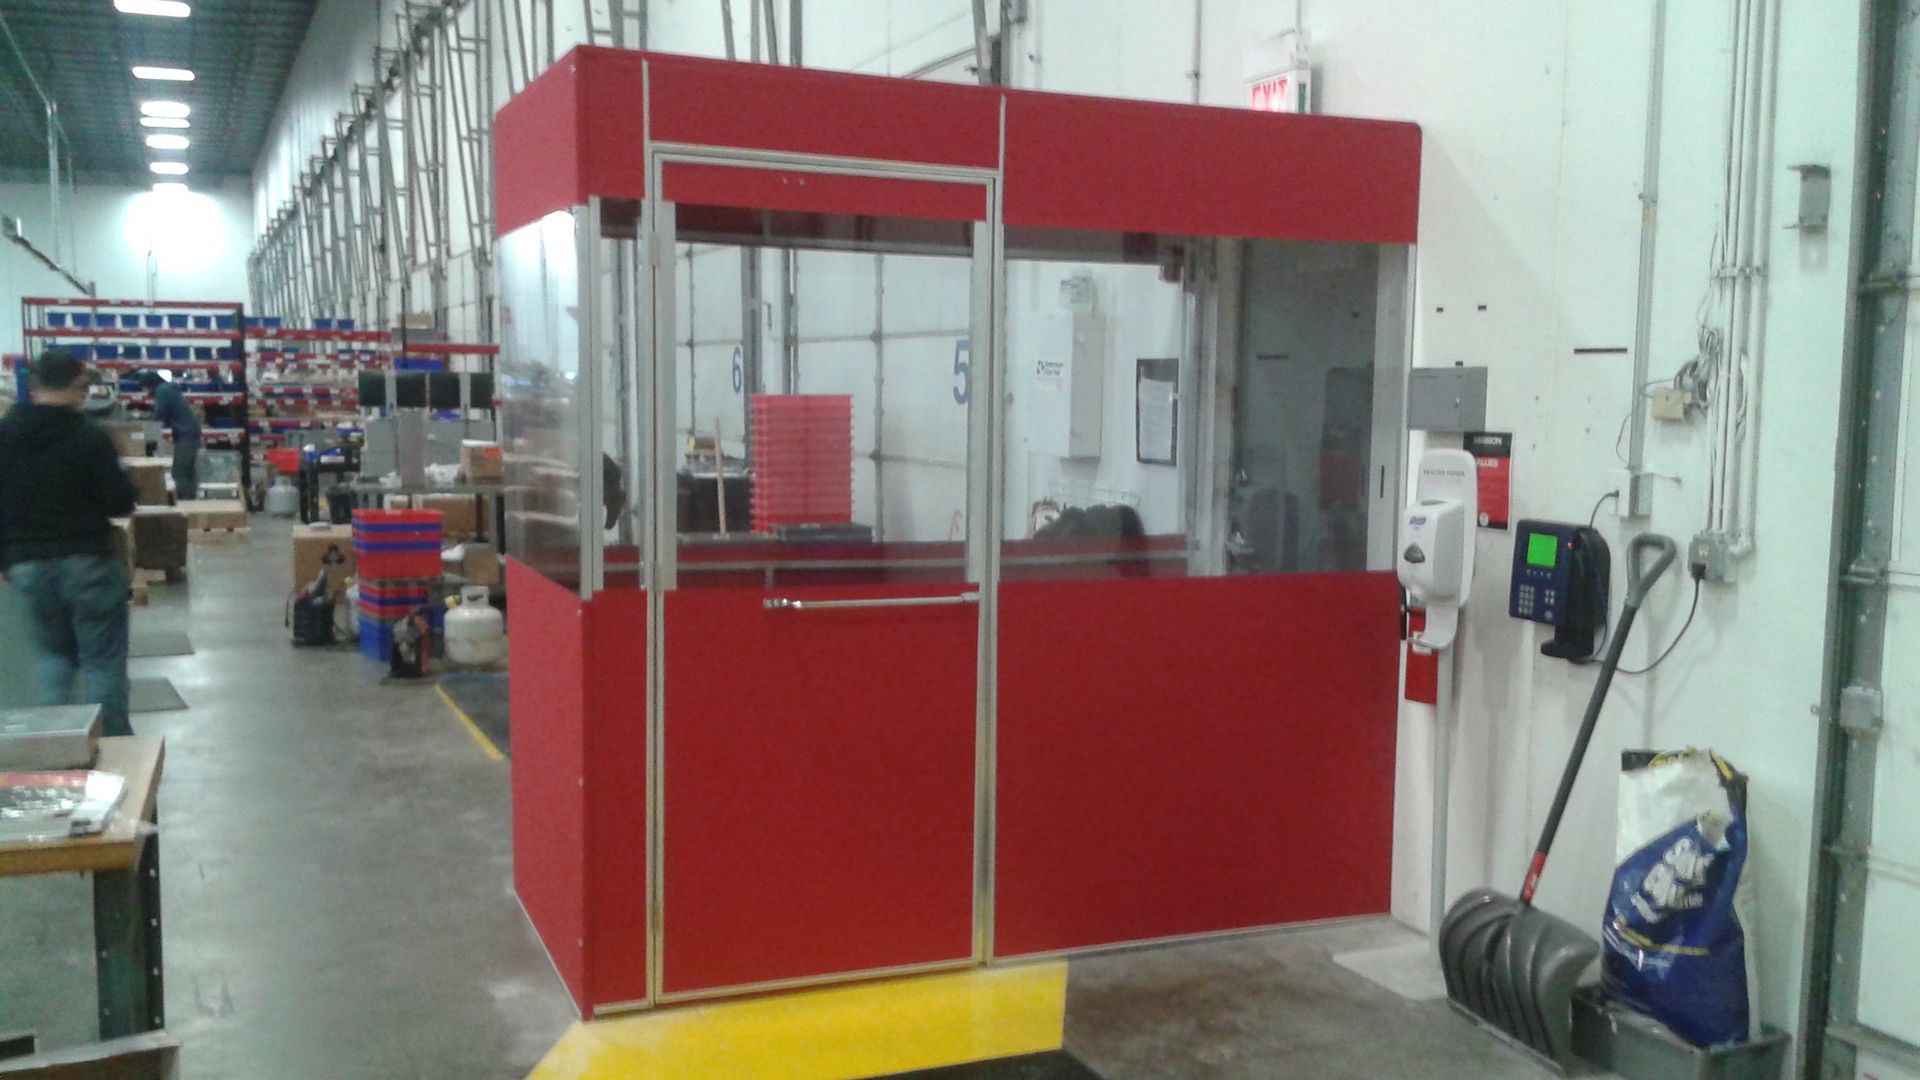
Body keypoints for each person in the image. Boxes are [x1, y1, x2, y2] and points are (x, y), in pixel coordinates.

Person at [0, 350, 139, 736]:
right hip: (88, 562)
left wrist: (6, 559)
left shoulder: (4, 436)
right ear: (79, 385)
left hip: (28, 563)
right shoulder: (89, 437)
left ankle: (56, 750)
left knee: (53, 659)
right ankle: (112, 752)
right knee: (102, 662)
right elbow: (121, 503)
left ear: (34, 384)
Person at [140, 369, 201, 501]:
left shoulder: (162, 390)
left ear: (150, 384)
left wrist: (147, 425)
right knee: (188, 469)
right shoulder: (168, 388)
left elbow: (160, 413)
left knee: (179, 470)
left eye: (145, 388)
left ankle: (183, 500)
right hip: (190, 431)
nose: (146, 392)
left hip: (186, 433)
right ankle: (191, 499)